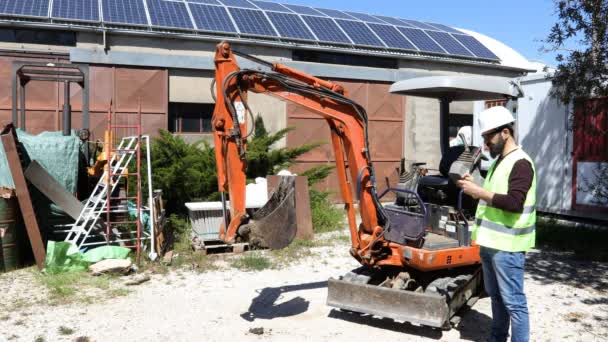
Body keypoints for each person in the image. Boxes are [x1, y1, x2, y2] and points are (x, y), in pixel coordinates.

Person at [456, 106, 536, 342]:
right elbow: (493, 195)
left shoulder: (521, 163)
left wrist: (479, 192)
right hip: (491, 244)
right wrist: (475, 186)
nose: (486, 142)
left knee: (514, 303)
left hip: (508, 247)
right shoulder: (499, 162)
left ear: (505, 133)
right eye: (483, 137)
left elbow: (514, 202)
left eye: (488, 136)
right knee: (497, 297)